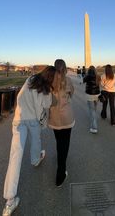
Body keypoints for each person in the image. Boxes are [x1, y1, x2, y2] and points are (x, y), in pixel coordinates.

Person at [2, 66, 56, 216]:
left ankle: (9, 200)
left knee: (15, 157)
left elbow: (20, 97)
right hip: (33, 120)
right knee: (36, 141)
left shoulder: (30, 79)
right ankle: (35, 159)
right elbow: (46, 105)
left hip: (19, 119)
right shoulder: (46, 89)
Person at [48, 59, 74, 187]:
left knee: (59, 141)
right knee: (65, 143)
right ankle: (61, 171)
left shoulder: (50, 81)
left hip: (54, 117)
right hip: (67, 116)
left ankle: (61, 163)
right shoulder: (68, 80)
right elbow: (72, 93)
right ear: (65, 68)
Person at [83, 66, 101, 133]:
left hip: (90, 95)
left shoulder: (87, 76)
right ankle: (94, 118)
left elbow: (83, 81)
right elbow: (99, 84)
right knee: (94, 109)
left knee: (92, 110)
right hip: (97, 94)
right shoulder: (98, 76)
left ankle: (94, 127)